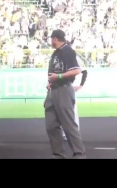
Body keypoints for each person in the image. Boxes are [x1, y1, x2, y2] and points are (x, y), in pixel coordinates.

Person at [44, 30, 86, 159]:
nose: (51, 41)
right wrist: (50, 84)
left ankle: (79, 154)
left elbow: (77, 70)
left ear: (55, 39)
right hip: (53, 90)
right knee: (51, 126)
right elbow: (54, 73)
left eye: (51, 39)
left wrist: (59, 76)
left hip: (64, 89)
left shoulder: (67, 50)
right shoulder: (56, 53)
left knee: (69, 125)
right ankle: (58, 155)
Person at [62, 40, 88, 141]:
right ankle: (66, 133)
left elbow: (84, 72)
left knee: (71, 110)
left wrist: (80, 85)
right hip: (62, 87)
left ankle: (74, 133)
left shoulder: (74, 57)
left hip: (70, 86)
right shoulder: (60, 57)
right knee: (63, 110)